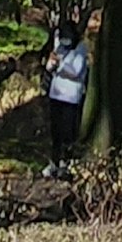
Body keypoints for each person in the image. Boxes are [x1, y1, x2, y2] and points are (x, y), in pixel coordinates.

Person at [42, 15, 91, 167]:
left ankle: (67, 163)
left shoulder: (80, 49)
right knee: (55, 132)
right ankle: (54, 163)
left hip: (71, 98)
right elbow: (50, 68)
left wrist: (61, 62)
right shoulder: (59, 47)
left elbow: (76, 70)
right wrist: (51, 62)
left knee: (68, 132)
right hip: (55, 95)